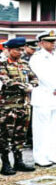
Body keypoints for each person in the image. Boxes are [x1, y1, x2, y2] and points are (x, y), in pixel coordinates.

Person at [28, 32, 56, 166]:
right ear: (41, 43)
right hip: (44, 96)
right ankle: (39, 157)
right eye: (49, 41)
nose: (53, 43)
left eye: (54, 41)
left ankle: (51, 154)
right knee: (41, 128)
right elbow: (42, 76)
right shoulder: (37, 57)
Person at [0, 37, 38, 175]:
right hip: (7, 107)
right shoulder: (2, 64)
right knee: (5, 135)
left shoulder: (24, 64)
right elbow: (6, 81)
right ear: (9, 50)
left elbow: (35, 78)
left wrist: (31, 85)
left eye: (22, 50)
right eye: (17, 50)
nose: (20, 52)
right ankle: (5, 163)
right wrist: (24, 87)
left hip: (23, 105)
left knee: (20, 135)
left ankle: (19, 161)